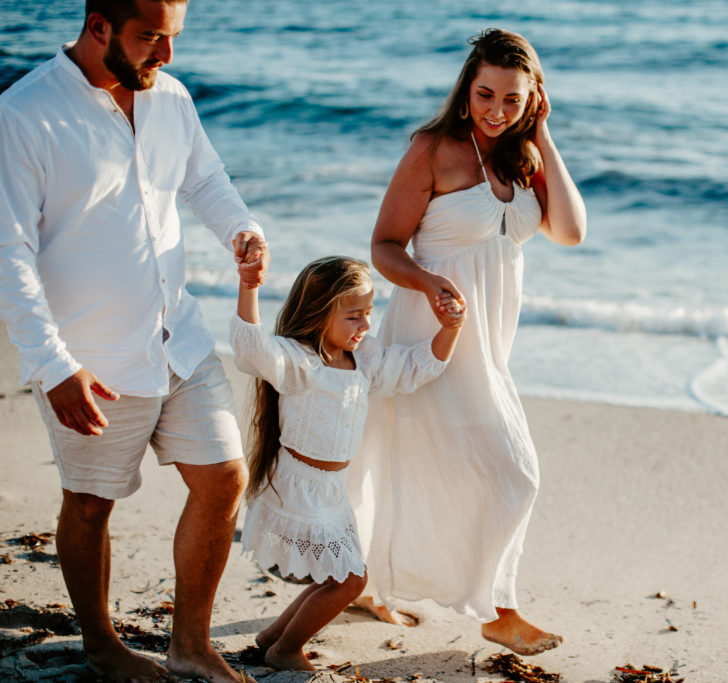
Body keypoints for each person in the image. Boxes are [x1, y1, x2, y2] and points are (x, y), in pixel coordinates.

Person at [0, 1, 269, 681]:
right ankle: (101, 646)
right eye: (151, 38)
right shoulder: (24, 114)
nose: (168, 56)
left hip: (179, 336)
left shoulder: (169, 97)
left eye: (173, 38)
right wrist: (52, 365)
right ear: (99, 28)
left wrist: (240, 229)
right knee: (91, 503)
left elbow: (204, 178)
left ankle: (190, 645)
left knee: (224, 477)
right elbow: (9, 252)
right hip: (92, 358)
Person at [349, 28, 587, 656]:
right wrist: (428, 283)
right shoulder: (433, 149)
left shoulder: (523, 156)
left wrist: (544, 135)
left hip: (490, 345)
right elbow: (384, 246)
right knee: (513, 470)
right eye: (487, 94)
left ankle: (368, 584)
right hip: (434, 334)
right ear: (466, 88)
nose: (497, 110)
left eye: (514, 99)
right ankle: (500, 612)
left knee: (419, 461)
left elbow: (571, 231)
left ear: (533, 100)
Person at [230, 254, 465, 671]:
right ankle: (285, 651)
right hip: (300, 489)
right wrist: (249, 285)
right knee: (350, 581)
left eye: (369, 312)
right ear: (319, 314)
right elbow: (252, 348)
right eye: (354, 316)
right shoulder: (300, 361)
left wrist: (450, 328)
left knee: (338, 577)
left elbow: (413, 368)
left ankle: (272, 639)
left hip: (333, 495)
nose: (366, 325)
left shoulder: (365, 360)